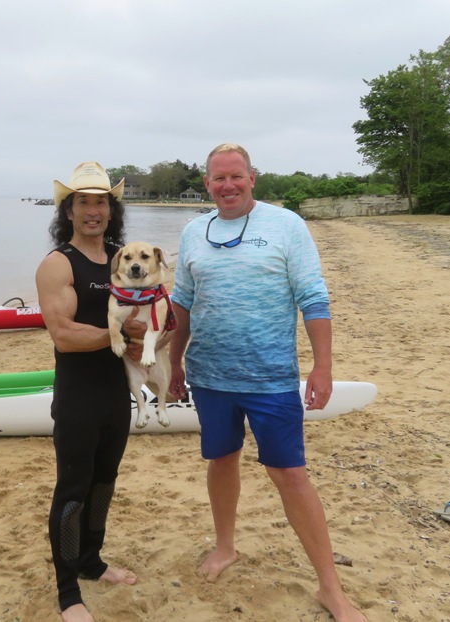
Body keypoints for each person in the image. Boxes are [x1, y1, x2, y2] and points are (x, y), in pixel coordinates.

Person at [168, 144, 368, 622]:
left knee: (290, 475)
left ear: (253, 177)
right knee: (221, 459)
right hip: (211, 376)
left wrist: (322, 366)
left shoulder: (286, 225)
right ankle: (225, 546)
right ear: (207, 183)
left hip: (271, 377)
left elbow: (313, 297)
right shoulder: (195, 231)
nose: (228, 186)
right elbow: (182, 302)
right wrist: (172, 364)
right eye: (219, 178)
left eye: (236, 176)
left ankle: (330, 587)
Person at [35, 161, 139, 622]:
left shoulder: (122, 257)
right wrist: (119, 335)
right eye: (84, 202)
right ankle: (67, 592)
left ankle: (92, 562)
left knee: (104, 484)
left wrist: (158, 332)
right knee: (73, 490)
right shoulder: (59, 264)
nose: (93, 210)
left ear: (111, 209)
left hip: (116, 394)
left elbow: (149, 317)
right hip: (78, 397)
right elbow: (64, 335)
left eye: (101, 201)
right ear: (69, 210)